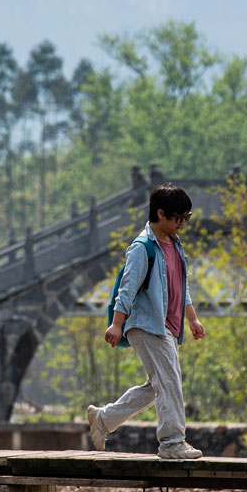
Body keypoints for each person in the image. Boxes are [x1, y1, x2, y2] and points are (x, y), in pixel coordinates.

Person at [88, 184, 208, 459]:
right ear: (160, 213)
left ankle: (103, 419)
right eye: (179, 217)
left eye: (186, 218)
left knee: (158, 385)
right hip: (147, 324)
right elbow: (127, 289)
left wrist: (192, 319)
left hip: (168, 326)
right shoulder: (142, 248)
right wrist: (116, 324)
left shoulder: (175, 246)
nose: (182, 223)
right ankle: (172, 443)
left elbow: (181, 288)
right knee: (169, 381)